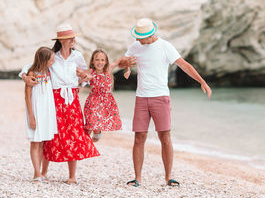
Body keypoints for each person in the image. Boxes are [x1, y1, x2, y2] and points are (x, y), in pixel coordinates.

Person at [125, 18, 212, 187]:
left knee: (164, 136)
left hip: (161, 97)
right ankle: (137, 178)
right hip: (141, 97)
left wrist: (202, 81)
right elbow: (123, 61)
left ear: (150, 35)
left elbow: (184, 65)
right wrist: (126, 66)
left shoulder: (165, 46)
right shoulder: (135, 47)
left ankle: (168, 178)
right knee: (139, 137)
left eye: (140, 37)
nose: (137, 40)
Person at [20, 24, 100, 184]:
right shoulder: (51, 55)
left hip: (72, 98)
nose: (73, 40)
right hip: (53, 99)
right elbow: (31, 66)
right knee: (50, 136)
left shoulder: (77, 56)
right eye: (71, 38)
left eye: (73, 38)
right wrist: (24, 76)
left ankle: (72, 175)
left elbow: (84, 75)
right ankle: (42, 172)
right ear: (62, 40)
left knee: (74, 135)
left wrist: (83, 80)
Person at [24, 46, 58, 183]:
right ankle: (36, 173)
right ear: (44, 60)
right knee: (35, 142)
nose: (53, 62)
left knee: (43, 142)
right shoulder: (32, 73)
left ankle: (41, 173)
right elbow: (27, 96)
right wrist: (31, 117)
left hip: (47, 111)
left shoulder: (49, 72)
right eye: (51, 60)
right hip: (36, 112)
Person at [83, 49, 128, 141]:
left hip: (106, 103)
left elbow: (122, 59)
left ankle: (96, 134)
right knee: (91, 122)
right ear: (92, 61)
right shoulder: (90, 71)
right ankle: (85, 143)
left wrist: (128, 70)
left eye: (102, 60)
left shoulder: (108, 69)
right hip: (94, 101)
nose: (100, 62)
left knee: (96, 131)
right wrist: (83, 79)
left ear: (106, 61)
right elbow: (78, 76)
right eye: (97, 60)